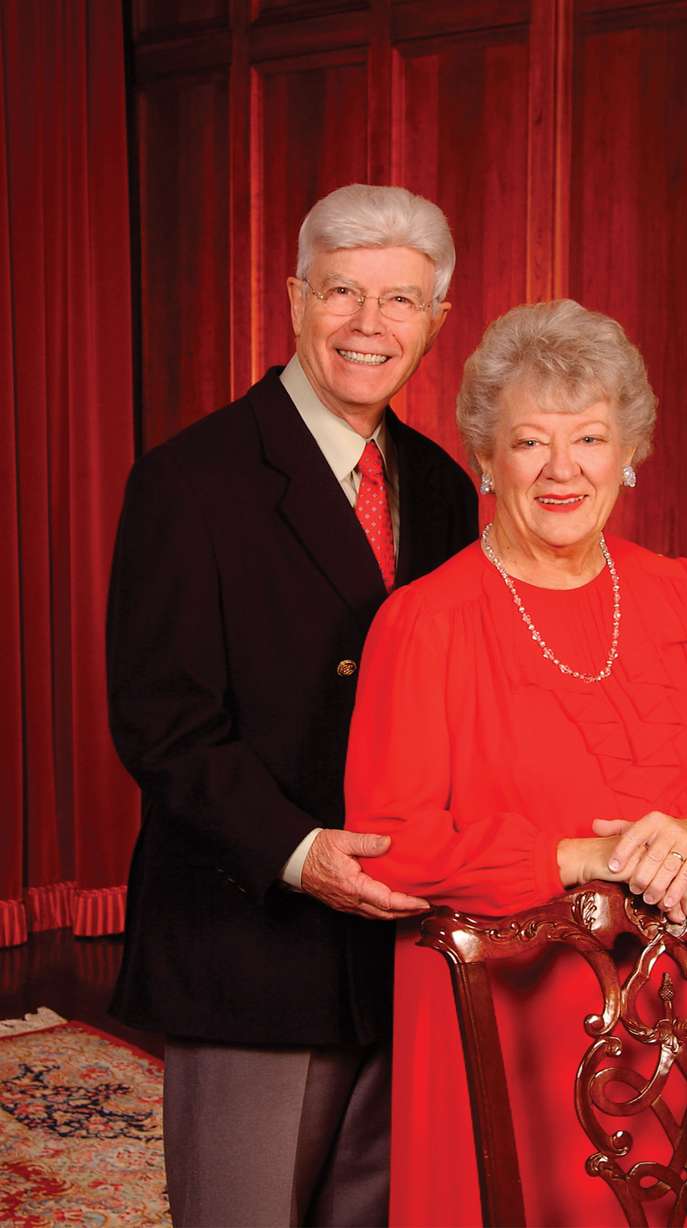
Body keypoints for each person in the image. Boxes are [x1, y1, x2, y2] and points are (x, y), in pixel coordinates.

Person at [344, 298, 687, 1227]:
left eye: (589, 438)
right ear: (484, 458)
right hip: (501, 1019)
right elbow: (390, 845)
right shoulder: (424, 621)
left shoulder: (680, 594)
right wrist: (575, 859)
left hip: (672, 1014)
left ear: (627, 453)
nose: (562, 469)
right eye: (529, 442)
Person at [106, 184, 479, 1227]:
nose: (370, 325)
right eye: (343, 292)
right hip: (252, 935)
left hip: (402, 950)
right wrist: (299, 850)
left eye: (400, 301)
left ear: (437, 321)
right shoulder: (189, 479)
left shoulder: (446, 489)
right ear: (294, 298)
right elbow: (161, 722)